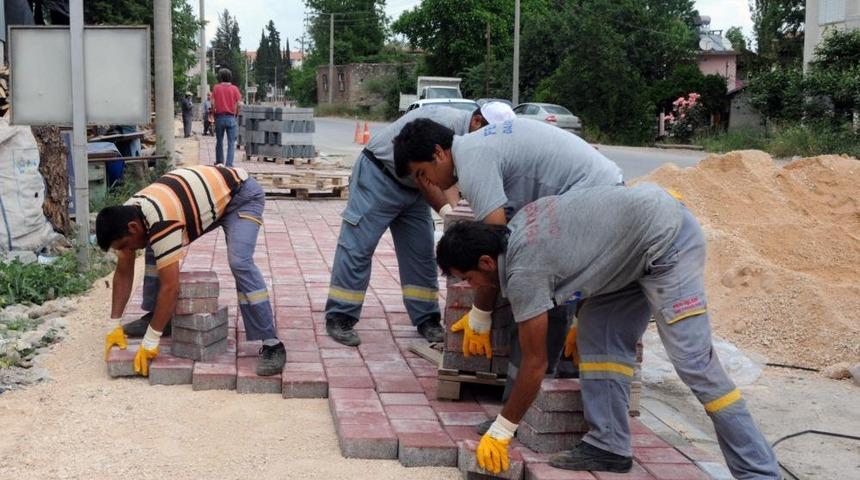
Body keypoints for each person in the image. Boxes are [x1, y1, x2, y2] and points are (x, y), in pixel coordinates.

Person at [434, 185, 781, 479]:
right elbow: (591, 255)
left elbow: (536, 363)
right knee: (598, 336)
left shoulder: (524, 271)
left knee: (695, 363)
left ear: (486, 262)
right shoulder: (518, 228)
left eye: (467, 278)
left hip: (667, 242)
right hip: (633, 251)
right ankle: (610, 445)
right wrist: (578, 319)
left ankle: (758, 471)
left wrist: (502, 430)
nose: (472, 285)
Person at [392, 117, 624, 432]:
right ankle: (552, 409)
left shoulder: (473, 162)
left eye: (423, 173)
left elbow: (495, 250)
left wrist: (481, 313)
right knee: (538, 290)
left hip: (597, 201)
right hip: (597, 194)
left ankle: (520, 417)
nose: (427, 183)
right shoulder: (477, 148)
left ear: (438, 153)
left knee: (538, 296)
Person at [324, 105, 505, 347]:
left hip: (413, 190)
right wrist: (451, 214)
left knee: (420, 252)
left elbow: (451, 180)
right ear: (476, 121)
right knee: (358, 247)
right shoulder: (443, 125)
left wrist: (459, 213)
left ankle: (427, 319)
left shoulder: (467, 139)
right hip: (379, 176)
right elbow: (428, 180)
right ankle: (340, 315)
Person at [98, 165, 286, 377]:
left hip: (241, 195)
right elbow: (123, 271)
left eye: (124, 245)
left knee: (240, 261)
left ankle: (272, 343)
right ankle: (160, 319)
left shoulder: (161, 220)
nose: (126, 251)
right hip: (209, 199)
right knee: (153, 247)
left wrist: (151, 341)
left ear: (133, 228)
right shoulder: (126, 214)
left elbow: (171, 287)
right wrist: (114, 324)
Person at [212, 68, 242, 166]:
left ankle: (219, 162)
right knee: (231, 143)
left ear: (220, 77)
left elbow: (212, 103)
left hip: (219, 117)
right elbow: (239, 104)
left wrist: (214, 113)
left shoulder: (216, 88)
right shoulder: (235, 89)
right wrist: (237, 113)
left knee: (219, 141)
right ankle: (229, 164)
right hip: (231, 118)